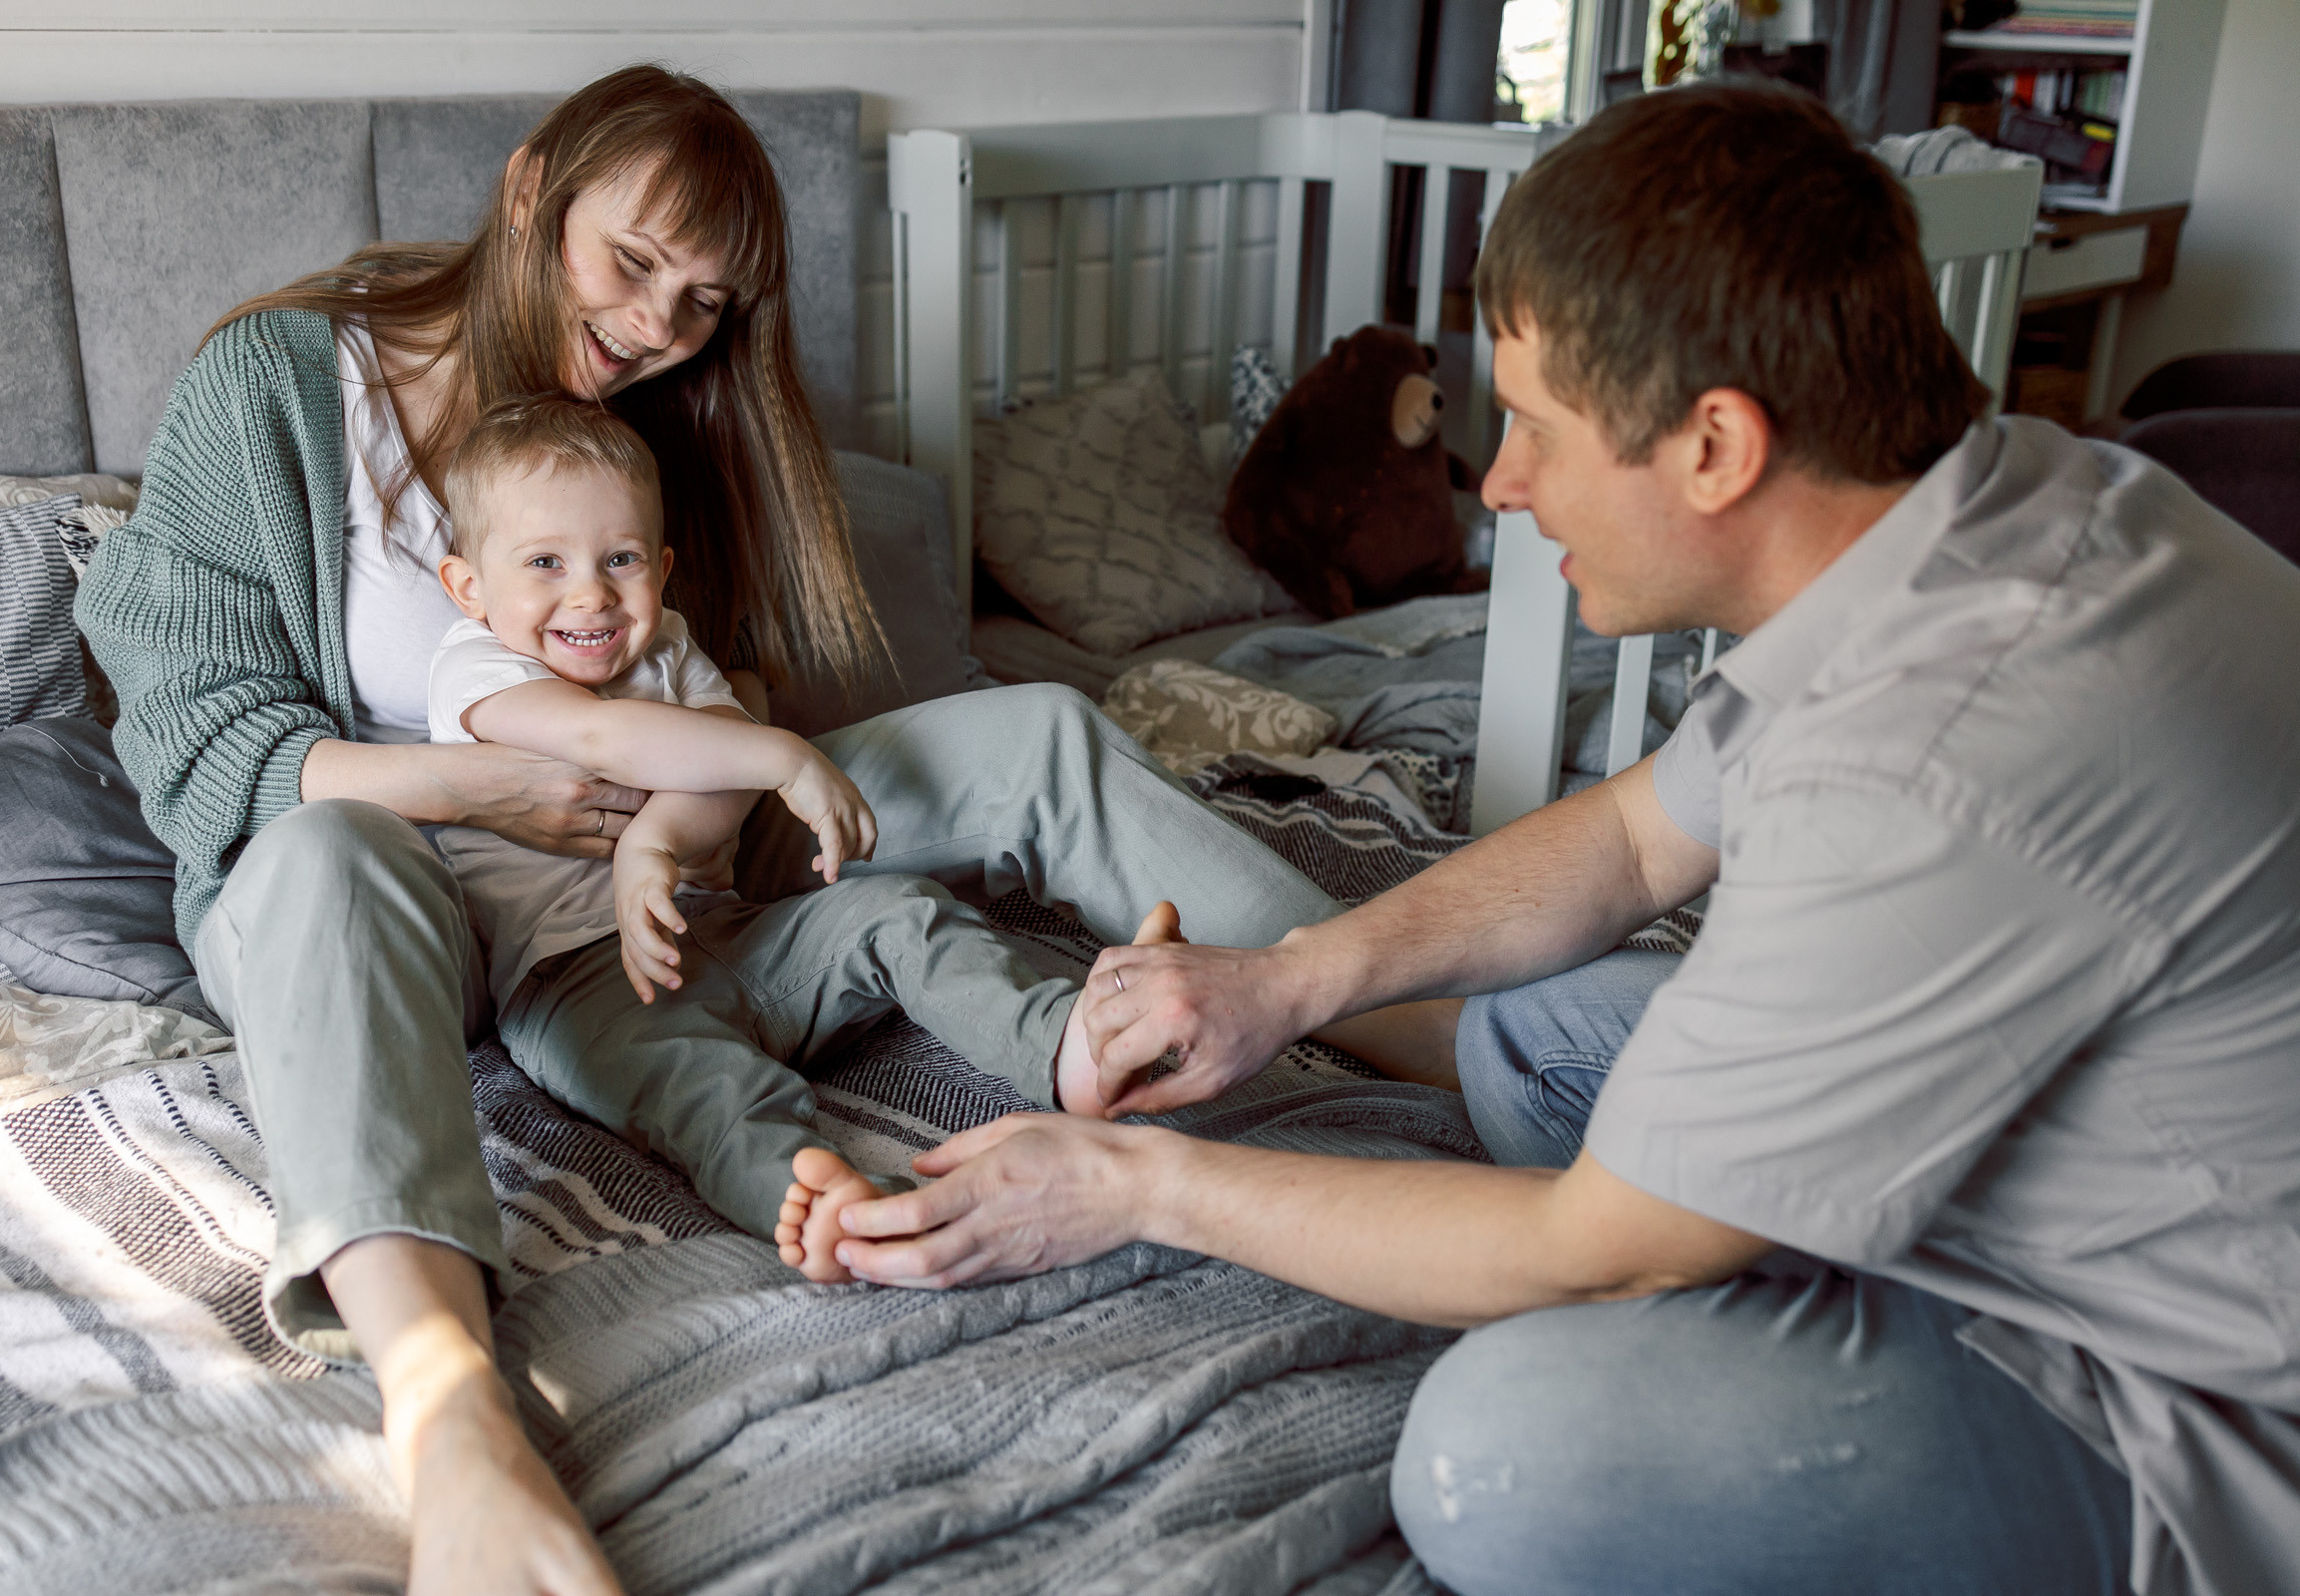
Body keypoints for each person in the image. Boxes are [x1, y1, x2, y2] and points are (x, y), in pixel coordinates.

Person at [830, 84, 2300, 1596]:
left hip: (2185, 1396)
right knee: (1535, 1031)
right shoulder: (2006, 505)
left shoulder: (1944, 750)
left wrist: (1136, 1187)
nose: (1501, 483)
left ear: (1717, 447)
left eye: (1534, 425)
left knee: (1508, 1456)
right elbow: (1629, 845)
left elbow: (1602, 1249)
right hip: (2051, 1156)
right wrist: (1292, 980)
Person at [74, 65, 1440, 1596]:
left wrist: (690, 816)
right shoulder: (277, 388)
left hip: (656, 864)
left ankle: (1417, 1007)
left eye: (707, 302)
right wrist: (477, 789)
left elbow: (717, 703)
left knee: (1038, 728)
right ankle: (451, 1410)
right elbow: (199, 743)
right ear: (534, 189)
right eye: (635, 264)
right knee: (334, 856)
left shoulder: (642, 427)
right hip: (399, 898)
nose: (663, 327)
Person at [423, 393, 1147, 1277]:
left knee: (898, 913)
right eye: (544, 562)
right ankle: (822, 1201)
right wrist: (781, 754)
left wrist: (659, 841)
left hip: (736, 933)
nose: (591, 594)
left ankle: (1065, 1047)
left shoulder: (671, 653)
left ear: (663, 565)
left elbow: (718, 783)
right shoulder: (478, 666)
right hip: (584, 986)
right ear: (468, 585)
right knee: (705, 1091)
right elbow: (598, 737)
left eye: (621, 559)